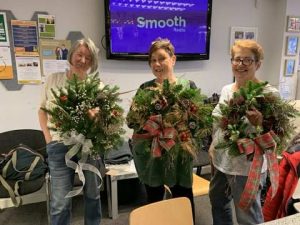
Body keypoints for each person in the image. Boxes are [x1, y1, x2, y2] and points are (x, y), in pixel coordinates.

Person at [209, 39, 279, 225]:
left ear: (258, 64)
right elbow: (218, 125)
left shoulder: (268, 94)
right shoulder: (226, 90)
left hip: (246, 168)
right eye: (236, 59)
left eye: (247, 60)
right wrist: (212, 147)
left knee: (247, 215)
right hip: (222, 162)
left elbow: (277, 136)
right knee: (219, 204)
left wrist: (260, 123)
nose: (240, 65)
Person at [126, 38, 197, 221]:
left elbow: (198, 123)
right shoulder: (145, 89)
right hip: (152, 156)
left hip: (179, 155)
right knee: (154, 201)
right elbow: (132, 122)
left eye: (162, 58)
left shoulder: (187, 88)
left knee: (183, 200)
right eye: (152, 60)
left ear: (173, 60)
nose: (157, 64)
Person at [38, 38, 102, 225]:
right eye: (79, 54)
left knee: (93, 194)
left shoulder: (97, 87)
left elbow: (102, 121)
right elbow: (42, 111)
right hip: (58, 145)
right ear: (71, 54)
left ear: (93, 62)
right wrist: (49, 139)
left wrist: (95, 116)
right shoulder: (53, 80)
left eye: (88, 58)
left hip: (90, 146)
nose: (83, 60)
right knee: (60, 201)